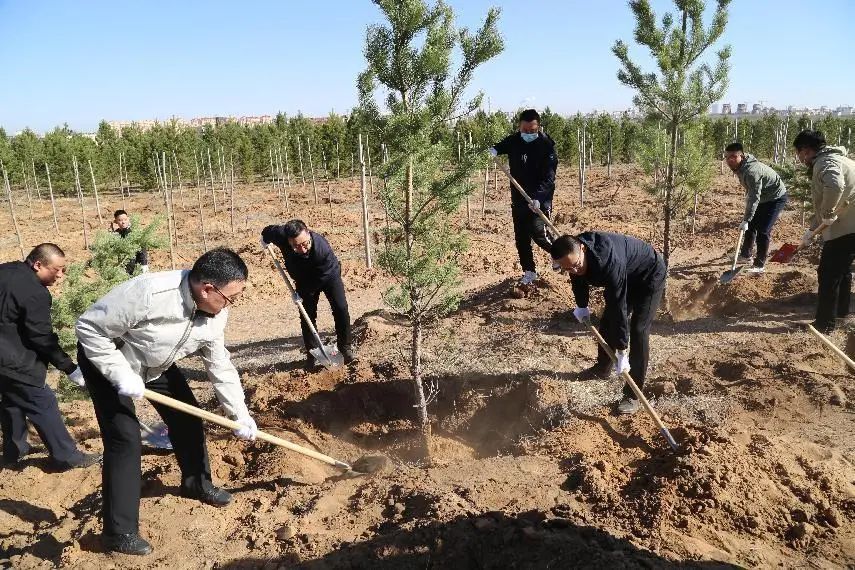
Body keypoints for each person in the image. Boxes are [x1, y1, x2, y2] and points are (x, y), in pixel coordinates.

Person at [75, 248, 258, 556]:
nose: (231, 304)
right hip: (109, 360)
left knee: (188, 418)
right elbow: (89, 328)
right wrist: (120, 373)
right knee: (125, 439)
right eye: (230, 298)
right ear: (207, 289)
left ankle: (196, 483)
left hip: (155, 363)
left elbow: (219, 365)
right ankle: (118, 533)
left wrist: (239, 413)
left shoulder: (216, 311)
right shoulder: (149, 293)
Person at [0, 243, 101, 470]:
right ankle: (67, 457)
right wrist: (69, 368)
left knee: (12, 400)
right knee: (42, 402)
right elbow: (41, 337)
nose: (61, 275)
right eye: (57, 269)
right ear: (38, 265)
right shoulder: (35, 293)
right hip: (13, 360)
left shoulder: (5, 270)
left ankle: (14, 452)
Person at [551, 232, 666, 415]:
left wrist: (622, 350)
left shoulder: (608, 261)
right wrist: (582, 305)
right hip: (626, 273)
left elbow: (618, 306)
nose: (574, 271)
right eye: (568, 269)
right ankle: (602, 369)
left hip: (649, 274)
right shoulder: (573, 255)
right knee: (607, 322)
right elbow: (577, 278)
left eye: (576, 265)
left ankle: (633, 394)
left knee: (638, 329)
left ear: (583, 249)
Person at [261, 220, 354, 369]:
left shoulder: (321, 249)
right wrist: (265, 240)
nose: (302, 249)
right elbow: (267, 231)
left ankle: (345, 348)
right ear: (288, 240)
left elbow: (320, 278)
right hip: (303, 279)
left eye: (305, 244)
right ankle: (313, 354)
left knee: (340, 308)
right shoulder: (280, 235)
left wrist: (302, 293)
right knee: (307, 315)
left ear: (308, 233)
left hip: (328, 275)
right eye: (296, 246)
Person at [793, 129, 855, 334]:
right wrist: (811, 230)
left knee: (828, 273)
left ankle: (824, 324)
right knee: (842, 270)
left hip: (846, 228)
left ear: (805, 150)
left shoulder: (825, 162)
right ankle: (841, 313)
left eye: (799, 153)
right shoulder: (843, 160)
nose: (800, 158)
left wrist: (828, 212)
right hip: (850, 225)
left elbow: (835, 185)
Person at [489, 109, 559, 285]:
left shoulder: (546, 146)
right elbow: (499, 147)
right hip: (518, 197)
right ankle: (529, 271)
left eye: (532, 130)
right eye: (524, 130)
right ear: (519, 127)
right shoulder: (514, 140)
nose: (528, 133)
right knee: (521, 238)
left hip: (539, 199)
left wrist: (538, 198)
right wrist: (494, 150)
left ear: (538, 127)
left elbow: (549, 178)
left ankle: (558, 254)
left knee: (539, 232)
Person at [724, 142, 788, 273]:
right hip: (763, 196)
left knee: (763, 230)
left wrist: (746, 219)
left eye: (733, 156)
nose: (730, 160)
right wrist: (748, 220)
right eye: (727, 157)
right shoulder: (740, 166)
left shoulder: (752, 172)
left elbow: (754, 197)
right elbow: (752, 192)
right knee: (751, 225)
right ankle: (746, 255)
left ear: (741, 156)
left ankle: (759, 265)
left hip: (775, 197)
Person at [110, 209, 149, 275]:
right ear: (115, 221)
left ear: (128, 219)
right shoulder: (116, 234)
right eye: (120, 220)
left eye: (125, 219)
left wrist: (144, 264)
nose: (123, 222)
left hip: (137, 267)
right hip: (124, 269)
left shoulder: (134, 231)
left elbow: (142, 249)